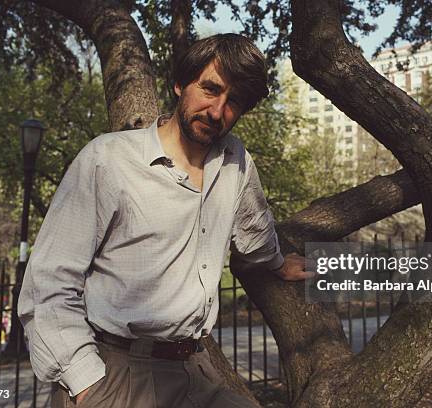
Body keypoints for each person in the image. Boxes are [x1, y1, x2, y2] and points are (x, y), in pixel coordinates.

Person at [18, 33, 312, 408]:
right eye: (210, 89)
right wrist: (87, 385)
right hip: (117, 374)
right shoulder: (107, 160)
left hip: (197, 368)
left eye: (233, 101)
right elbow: (48, 285)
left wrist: (278, 263)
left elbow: (253, 230)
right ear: (179, 84)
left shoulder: (235, 161)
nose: (217, 111)